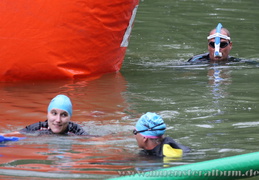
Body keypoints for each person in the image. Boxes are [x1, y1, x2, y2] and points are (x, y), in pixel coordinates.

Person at [20, 94, 88, 135]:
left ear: (70, 117)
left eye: (64, 115)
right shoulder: (40, 127)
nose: (58, 120)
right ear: (47, 114)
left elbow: (93, 141)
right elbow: (16, 134)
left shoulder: (75, 130)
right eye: (54, 113)